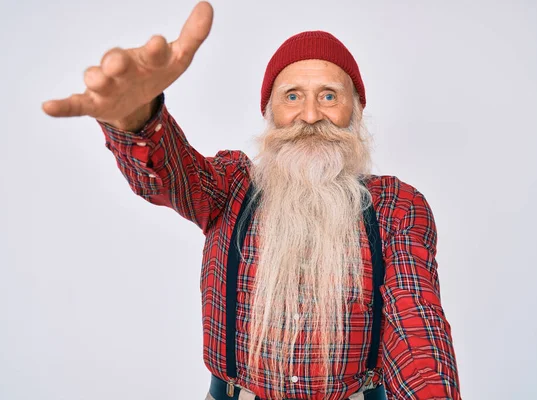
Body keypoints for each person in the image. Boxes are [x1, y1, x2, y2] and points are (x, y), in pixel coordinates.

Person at [42, 2, 461, 399]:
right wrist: (135, 115)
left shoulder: (396, 206)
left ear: (356, 110)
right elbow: (171, 176)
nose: (311, 115)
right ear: (270, 111)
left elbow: (416, 327)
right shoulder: (232, 185)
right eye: (292, 96)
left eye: (329, 95)